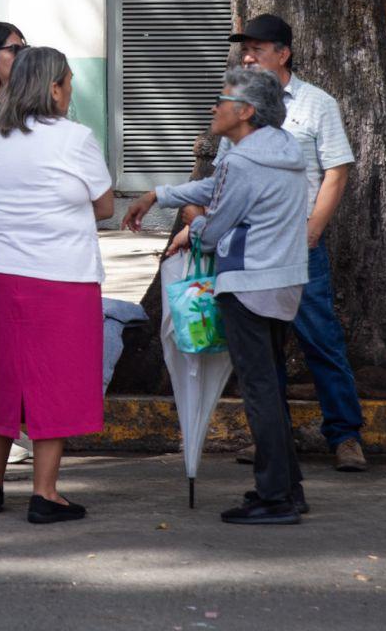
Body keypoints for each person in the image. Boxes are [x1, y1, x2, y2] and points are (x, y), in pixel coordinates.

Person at [128, 67, 311, 524]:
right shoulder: (282, 149)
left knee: (259, 391)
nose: (214, 107)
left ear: (246, 112)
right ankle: (288, 489)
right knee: (271, 388)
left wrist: (192, 220)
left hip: (248, 284)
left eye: (222, 99)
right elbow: (220, 188)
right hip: (282, 280)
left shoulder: (242, 161)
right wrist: (161, 193)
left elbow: (213, 229)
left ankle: (274, 498)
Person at [0, 46, 113, 525]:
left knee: (4, 375)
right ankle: (45, 492)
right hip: (59, 273)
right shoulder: (76, 138)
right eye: (68, 81)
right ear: (53, 88)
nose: (71, 90)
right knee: (56, 378)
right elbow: (105, 204)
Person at [225, 14, 369, 473]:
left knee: (319, 338)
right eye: (244, 49)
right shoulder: (239, 104)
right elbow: (227, 172)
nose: (248, 56)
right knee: (260, 348)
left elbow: (337, 170)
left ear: (283, 53)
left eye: (258, 49)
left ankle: (345, 436)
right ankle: (271, 436)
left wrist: (312, 230)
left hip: (298, 244)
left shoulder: (316, 103)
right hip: (249, 247)